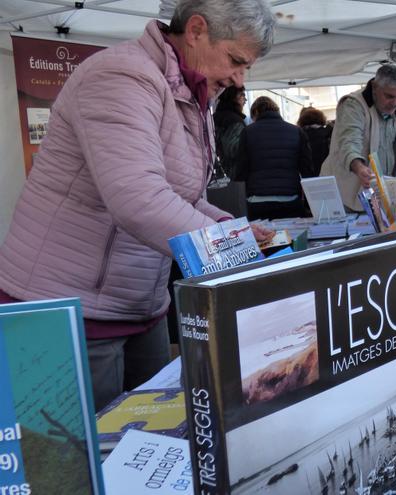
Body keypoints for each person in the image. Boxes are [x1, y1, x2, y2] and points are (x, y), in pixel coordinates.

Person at [0, 0, 275, 410]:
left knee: (150, 439)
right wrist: (226, 249)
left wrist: (230, 227)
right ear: (196, 30)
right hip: (70, 308)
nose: (239, 78)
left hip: (140, 305)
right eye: (236, 60)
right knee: (79, 463)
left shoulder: (192, 93)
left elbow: (182, 195)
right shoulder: (121, 75)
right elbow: (138, 198)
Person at [320, 64, 396, 212]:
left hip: (376, 197)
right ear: (374, 88)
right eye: (389, 96)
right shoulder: (353, 105)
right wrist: (359, 167)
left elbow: (394, 148)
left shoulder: (394, 112)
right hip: (347, 196)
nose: (394, 103)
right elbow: (349, 141)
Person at [236, 96, 311, 220]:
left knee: (263, 238)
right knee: (291, 238)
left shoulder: (247, 132)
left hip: (257, 199)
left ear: (256, 112)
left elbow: (242, 168)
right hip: (290, 197)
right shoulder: (296, 131)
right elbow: (306, 168)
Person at [214, 85, 247, 178]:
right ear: (233, 97)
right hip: (234, 175)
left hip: (216, 174)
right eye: (242, 95)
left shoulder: (213, 117)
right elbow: (234, 151)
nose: (244, 100)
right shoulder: (234, 120)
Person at [297, 107, 332, 179]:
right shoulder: (328, 134)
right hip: (327, 174)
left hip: (306, 177)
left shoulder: (298, 135)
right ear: (321, 119)